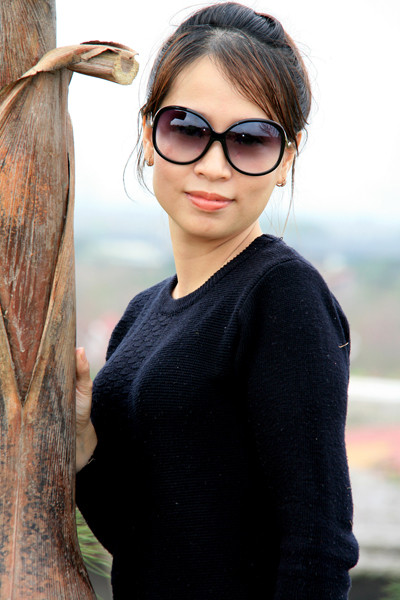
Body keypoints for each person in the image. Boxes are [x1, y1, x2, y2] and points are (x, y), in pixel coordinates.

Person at [75, 2, 359, 598]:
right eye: (187, 128)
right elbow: (145, 541)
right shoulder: (142, 313)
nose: (213, 166)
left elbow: (317, 547)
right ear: (148, 136)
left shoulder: (281, 297)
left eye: (250, 141)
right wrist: (83, 447)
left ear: (286, 159)